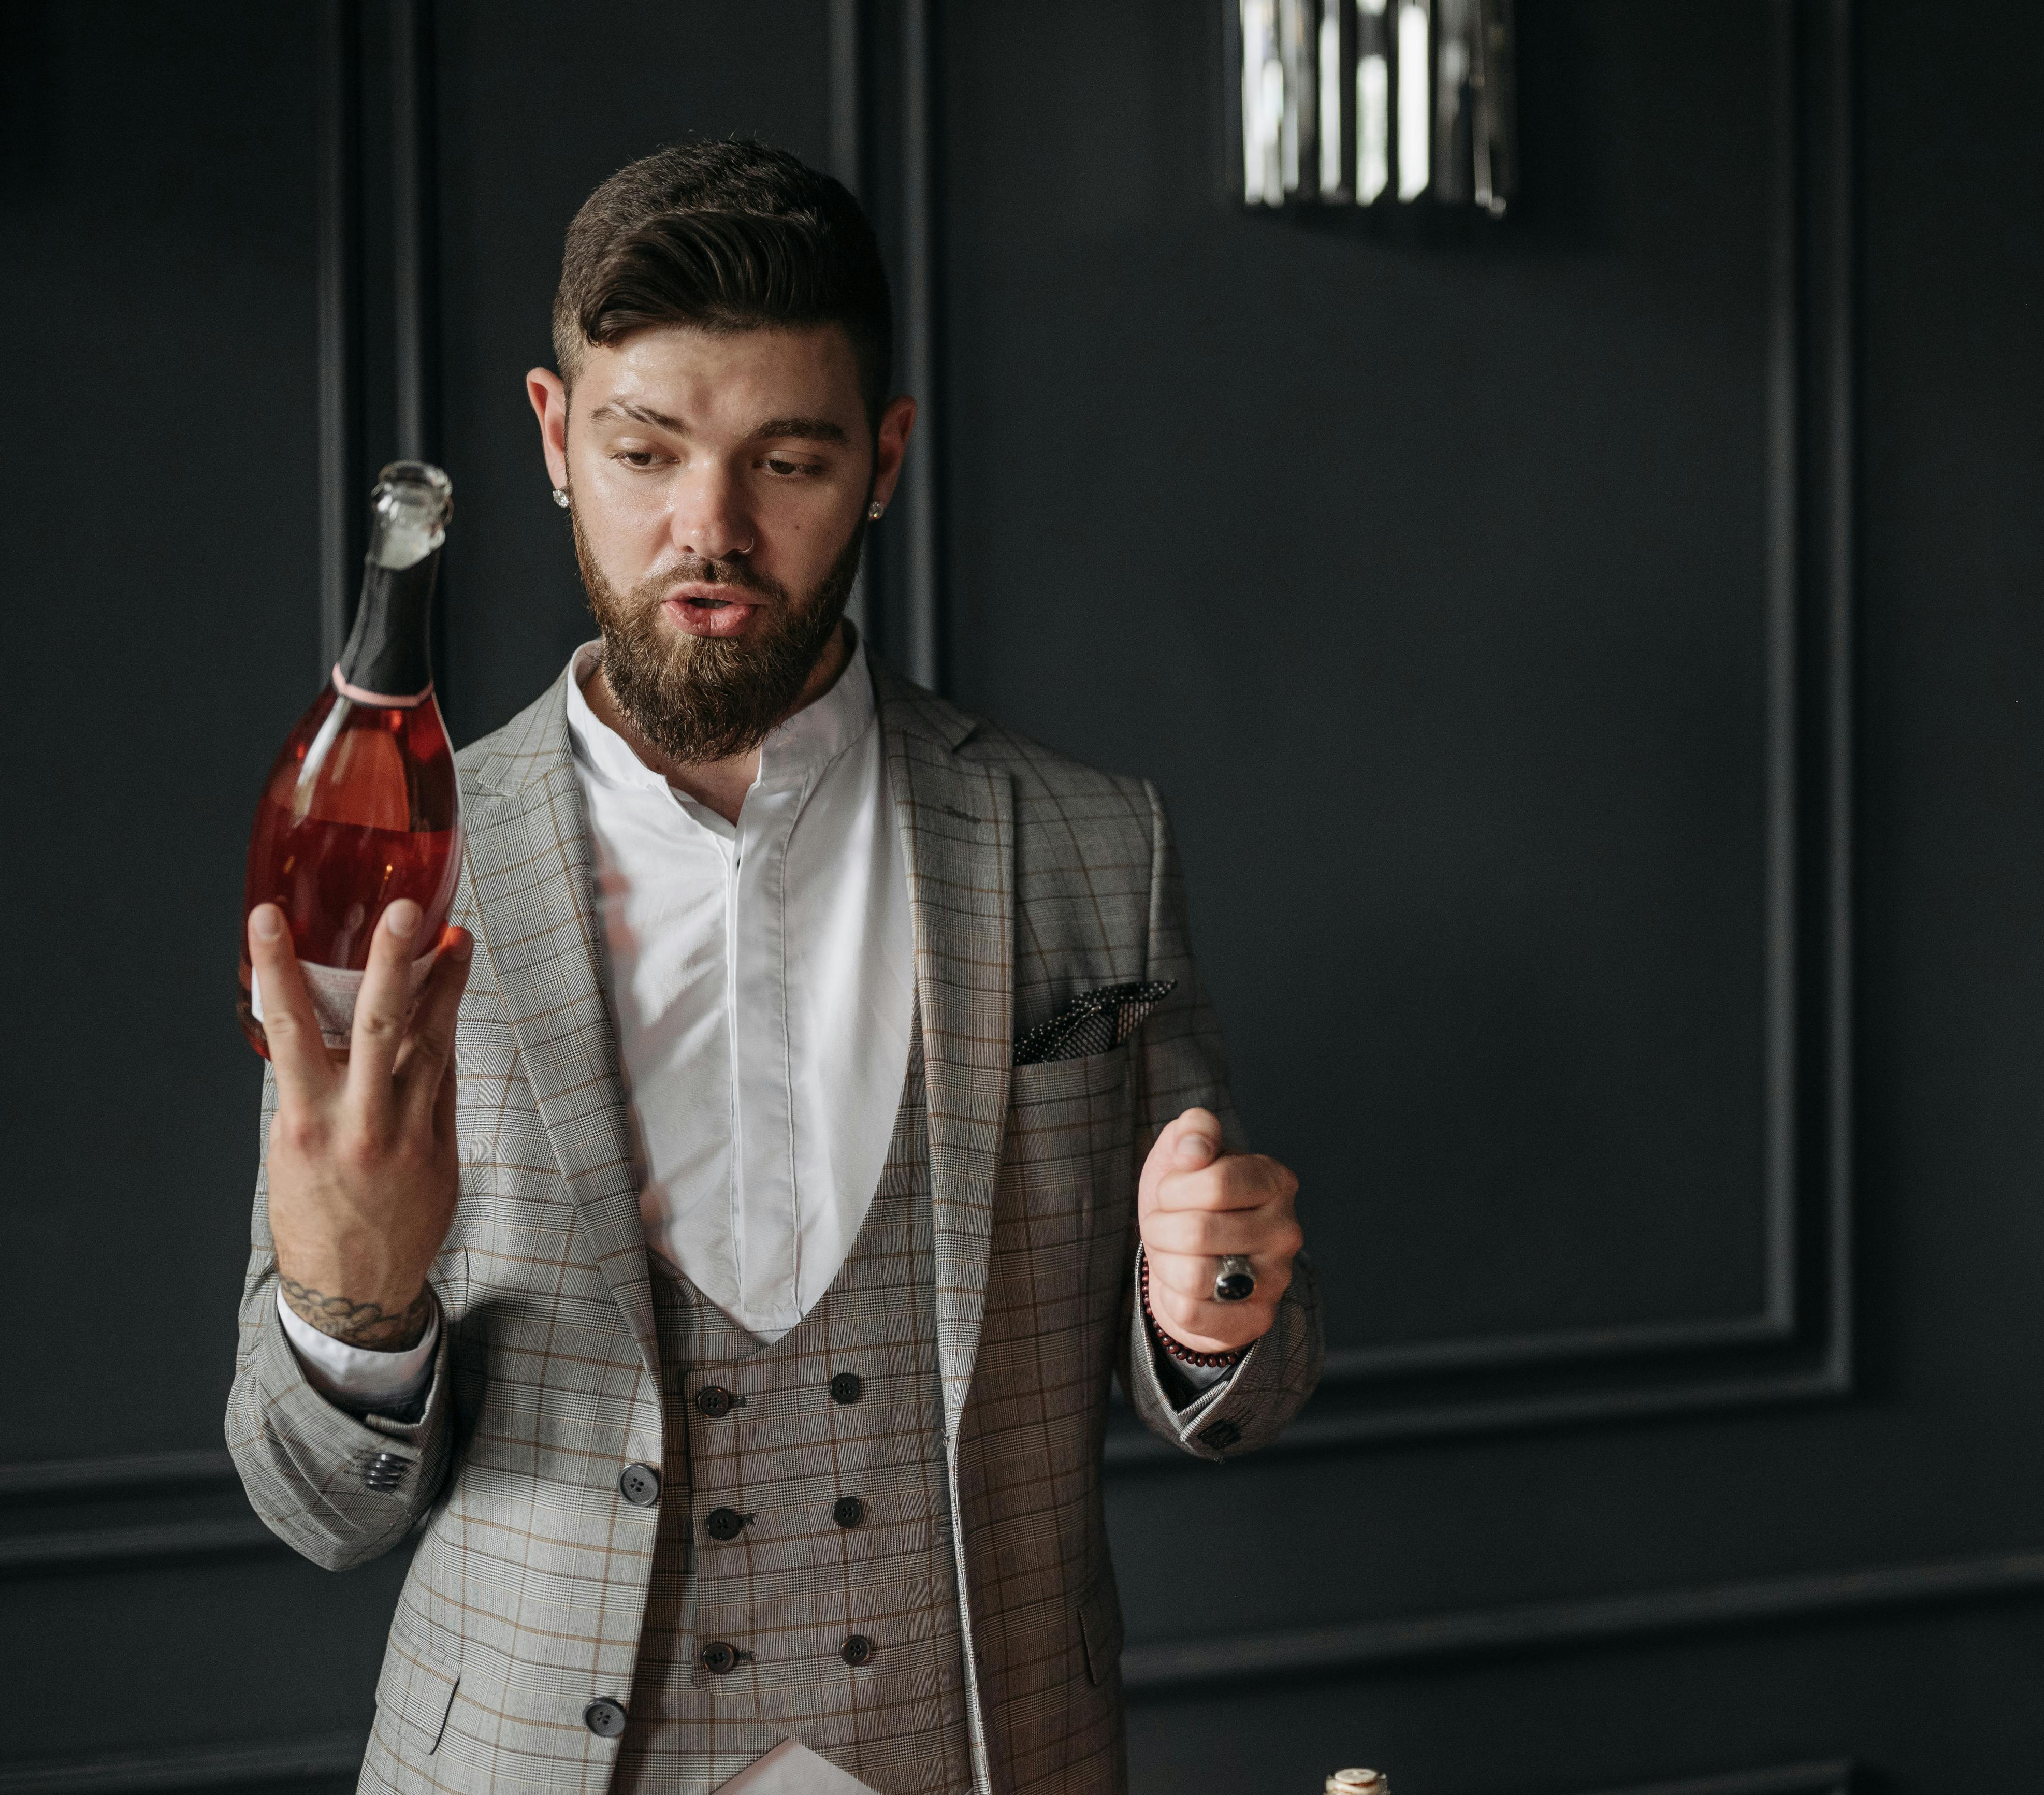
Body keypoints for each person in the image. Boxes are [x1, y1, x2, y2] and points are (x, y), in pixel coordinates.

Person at [225, 139, 1320, 1794]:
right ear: (551, 434)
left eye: (786, 464)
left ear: (884, 460)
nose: (708, 530)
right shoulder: (402, 859)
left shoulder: (1095, 845)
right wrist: (352, 1307)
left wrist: (1212, 1308)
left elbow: (1234, 1386)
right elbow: (312, 1499)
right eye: (645, 450)